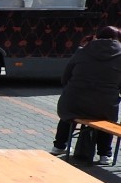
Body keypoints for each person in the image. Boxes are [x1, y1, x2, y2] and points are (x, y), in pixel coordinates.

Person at [50, 26, 121, 165]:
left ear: (97, 36)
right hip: (104, 106)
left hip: (73, 102)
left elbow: (65, 77)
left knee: (68, 113)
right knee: (107, 117)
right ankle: (104, 154)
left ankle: (59, 146)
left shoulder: (82, 51)